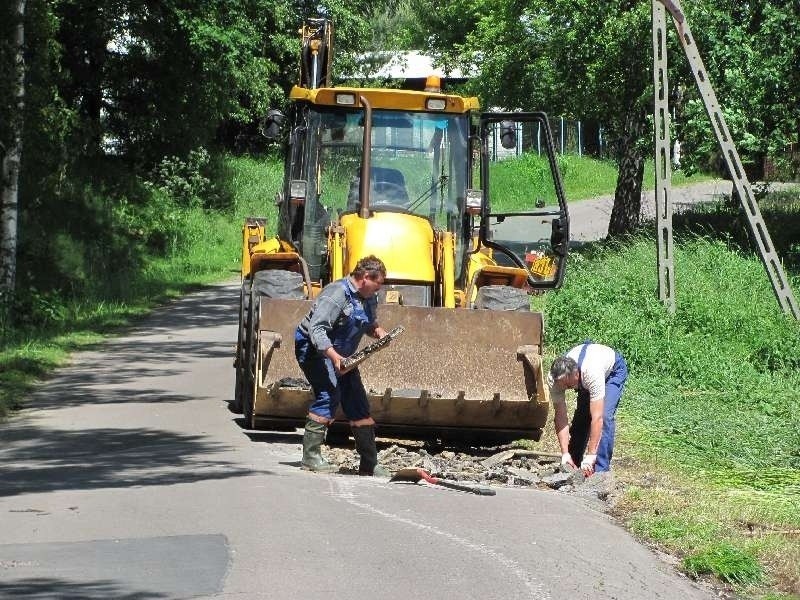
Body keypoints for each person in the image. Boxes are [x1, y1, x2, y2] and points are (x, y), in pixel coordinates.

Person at [294, 255, 391, 476]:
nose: (378, 291)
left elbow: (367, 322)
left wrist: (378, 332)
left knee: (357, 400)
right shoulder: (336, 294)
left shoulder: (368, 298)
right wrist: (335, 358)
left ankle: (369, 462)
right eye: (377, 285)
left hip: (344, 356)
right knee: (329, 394)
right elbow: (316, 330)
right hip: (314, 350)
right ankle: (310, 457)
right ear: (365, 277)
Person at [548, 341, 628, 477]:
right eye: (563, 385)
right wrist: (564, 453)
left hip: (613, 371)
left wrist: (591, 455)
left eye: (568, 384)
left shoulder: (592, 373)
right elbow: (561, 416)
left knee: (605, 415)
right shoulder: (554, 380)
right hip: (585, 375)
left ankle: (600, 471)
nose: (566, 388)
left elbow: (598, 417)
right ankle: (571, 463)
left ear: (576, 374)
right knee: (581, 418)